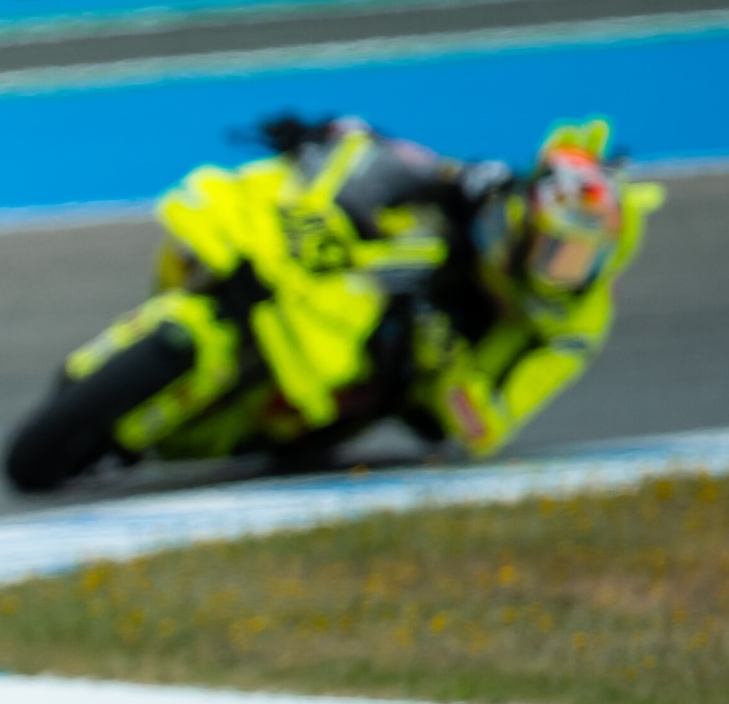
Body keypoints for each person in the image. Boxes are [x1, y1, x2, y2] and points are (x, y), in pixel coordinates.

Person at [252, 116, 662, 458]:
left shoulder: (577, 326)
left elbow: (484, 430)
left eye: (581, 259)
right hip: (386, 284)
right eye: (554, 251)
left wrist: (445, 359)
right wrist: (344, 136)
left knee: (303, 423)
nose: (561, 272)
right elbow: (423, 165)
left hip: (429, 378)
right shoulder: (495, 199)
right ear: (525, 226)